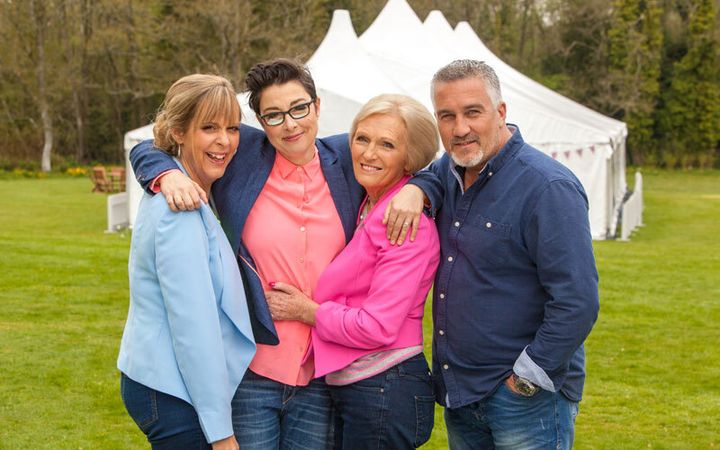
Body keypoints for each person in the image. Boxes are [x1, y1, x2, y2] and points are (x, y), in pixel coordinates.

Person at [128, 59, 442, 449]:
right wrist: (167, 174)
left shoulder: (349, 156)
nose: (290, 124)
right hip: (252, 371)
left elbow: (422, 156)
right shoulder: (241, 155)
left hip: (319, 376)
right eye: (274, 116)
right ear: (259, 122)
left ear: (317, 106)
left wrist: (420, 189)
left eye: (299, 109)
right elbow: (156, 144)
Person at [400, 59, 600, 449]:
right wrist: (416, 188)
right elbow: (432, 170)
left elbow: (577, 301)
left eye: (473, 112)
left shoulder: (548, 187)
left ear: (501, 112)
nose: (460, 129)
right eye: (447, 116)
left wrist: (524, 380)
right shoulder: (450, 172)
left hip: (524, 399)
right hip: (460, 394)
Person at [265, 94, 440, 449]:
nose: (368, 153)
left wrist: (306, 311)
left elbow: (377, 325)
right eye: (362, 139)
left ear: (410, 157)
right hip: (361, 386)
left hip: (385, 386)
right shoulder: (369, 204)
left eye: (387, 144)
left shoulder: (406, 224)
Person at [117, 74, 256, 449]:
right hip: (171, 389)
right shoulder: (179, 207)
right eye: (208, 127)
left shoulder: (189, 186)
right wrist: (221, 433)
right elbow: (194, 328)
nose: (224, 141)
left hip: (166, 381)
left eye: (232, 128)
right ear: (178, 132)